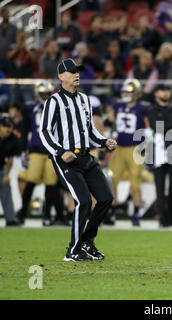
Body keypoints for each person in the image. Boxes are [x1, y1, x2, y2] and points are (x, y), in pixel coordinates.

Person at [39, 58, 117, 262]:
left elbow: (90, 130)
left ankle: (86, 242)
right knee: (82, 201)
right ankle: (72, 251)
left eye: (78, 71)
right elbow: (44, 132)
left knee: (106, 197)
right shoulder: (53, 101)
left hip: (85, 157)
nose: (77, 74)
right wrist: (60, 151)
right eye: (72, 72)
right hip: (66, 160)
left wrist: (103, 141)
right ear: (61, 77)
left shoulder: (85, 99)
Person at [17, 80, 66, 226]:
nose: (45, 96)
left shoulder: (57, 108)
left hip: (52, 150)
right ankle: (23, 213)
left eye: (47, 93)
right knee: (31, 181)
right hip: (36, 149)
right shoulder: (31, 108)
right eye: (42, 93)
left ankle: (47, 215)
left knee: (51, 184)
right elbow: (25, 130)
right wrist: (23, 149)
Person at [146, 83, 172, 227]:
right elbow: (155, 126)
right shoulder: (152, 110)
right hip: (158, 153)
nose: (165, 93)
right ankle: (162, 220)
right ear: (156, 93)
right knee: (159, 188)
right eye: (162, 90)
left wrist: (170, 126)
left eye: (167, 90)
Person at [108, 79, 149, 226]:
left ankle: (136, 212)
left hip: (136, 148)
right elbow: (109, 121)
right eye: (125, 92)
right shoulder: (118, 106)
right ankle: (111, 212)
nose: (126, 94)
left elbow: (149, 127)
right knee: (112, 180)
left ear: (136, 93)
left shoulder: (142, 108)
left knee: (135, 182)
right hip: (119, 148)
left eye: (129, 92)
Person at [0, 116, 21, 226]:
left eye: (9, 127)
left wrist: (6, 175)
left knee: (6, 189)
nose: (7, 129)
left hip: (1, 168)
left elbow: (10, 159)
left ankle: (10, 219)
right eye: (4, 126)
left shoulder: (13, 139)